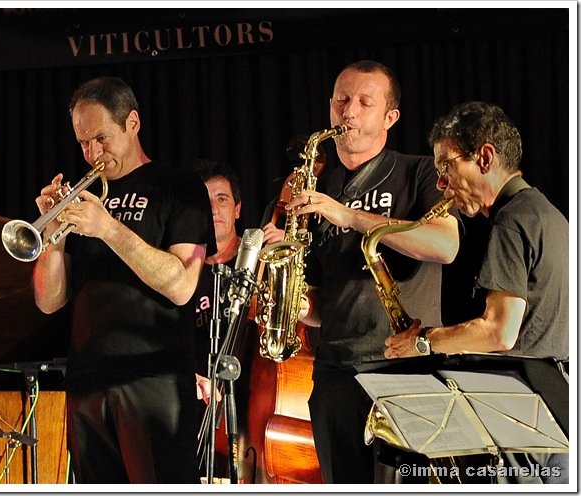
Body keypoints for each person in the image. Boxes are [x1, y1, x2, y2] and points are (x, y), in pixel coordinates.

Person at [260, 60, 460, 483]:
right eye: (341, 100)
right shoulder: (318, 189)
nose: (348, 111)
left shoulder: (419, 171)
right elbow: (320, 306)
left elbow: (445, 245)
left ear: (390, 117)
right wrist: (286, 295)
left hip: (404, 370)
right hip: (335, 372)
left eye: (364, 102)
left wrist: (348, 215)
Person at [32, 77, 215, 483]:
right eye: (82, 143)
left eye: (102, 138)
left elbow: (183, 285)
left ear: (132, 122)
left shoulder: (178, 187)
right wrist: (51, 240)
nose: (93, 153)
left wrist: (108, 228)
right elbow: (48, 301)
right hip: (87, 381)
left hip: (154, 380)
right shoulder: (83, 200)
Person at [384, 102, 568, 483]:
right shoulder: (549, 215)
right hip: (557, 409)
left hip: (526, 417)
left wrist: (422, 342)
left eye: (445, 167)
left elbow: (499, 332)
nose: (440, 185)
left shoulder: (513, 220)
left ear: (484, 156)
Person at [187, 159, 246, 481]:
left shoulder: (262, 262)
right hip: (200, 407)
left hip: (257, 402)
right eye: (204, 201)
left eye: (221, 199)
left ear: (237, 208)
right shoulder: (182, 272)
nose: (213, 209)